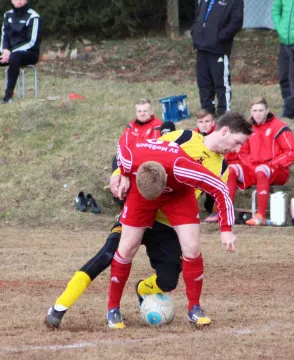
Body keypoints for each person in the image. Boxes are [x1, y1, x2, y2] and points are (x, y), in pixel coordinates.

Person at [44, 113, 252, 329]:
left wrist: (225, 227)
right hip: (141, 205)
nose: (237, 150)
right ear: (225, 131)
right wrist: (120, 173)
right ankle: (60, 307)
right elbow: (139, 153)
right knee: (107, 254)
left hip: (168, 223)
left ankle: (145, 290)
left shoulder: (222, 170)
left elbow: (218, 195)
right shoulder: (184, 138)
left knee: (169, 279)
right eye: (238, 143)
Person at [105, 132, 239, 329]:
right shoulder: (130, 158)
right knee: (126, 247)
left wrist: (226, 229)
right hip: (140, 195)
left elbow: (219, 188)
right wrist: (122, 174)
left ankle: (195, 308)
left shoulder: (183, 167)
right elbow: (123, 138)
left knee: (191, 247)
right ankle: (113, 309)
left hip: (179, 195)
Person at [227, 97, 294, 226]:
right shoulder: (247, 128)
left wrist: (273, 163)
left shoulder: (279, 127)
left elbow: (292, 152)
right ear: (251, 111)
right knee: (231, 170)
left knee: (261, 170)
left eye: (261, 110)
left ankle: (260, 215)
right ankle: (227, 212)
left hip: (276, 170)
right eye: (255, 110)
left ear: (267, 111)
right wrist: (250, 164)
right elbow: (242, 152)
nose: (258, 114)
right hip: (252, 168)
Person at [192, 0, 244, 116]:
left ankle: (223, 112)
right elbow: (199, 14)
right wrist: (195, 31)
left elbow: (236, 22)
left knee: (220, 82)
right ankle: (207, 111)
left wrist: (220, 37)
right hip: (202, 47)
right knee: (203, 82)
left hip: (219, 48)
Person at [109, 99, 163, 172]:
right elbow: (123, 143)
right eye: (139, 111)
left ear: (151, 112)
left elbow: (156, 146)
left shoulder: (157, 125)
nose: (142, 114)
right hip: (132, 157)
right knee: (116, 159)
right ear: (136, 113)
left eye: (145, 111)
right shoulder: (132, 125)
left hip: (147, 159)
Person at [194, 109, 218, 222]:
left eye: (207, 121)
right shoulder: (192, 136)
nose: (204, 125)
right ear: (197, 124)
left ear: (213, 122)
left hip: (215, 171)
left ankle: (217, 210)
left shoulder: (219, 135)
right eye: (201, 122)